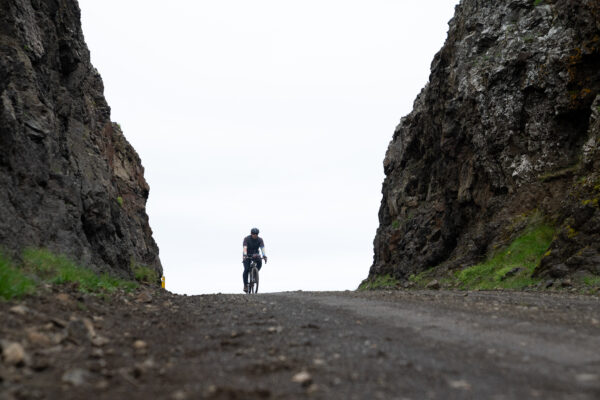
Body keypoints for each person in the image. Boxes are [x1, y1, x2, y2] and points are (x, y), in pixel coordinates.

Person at [242, 227, 267, 293]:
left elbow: (262, 248)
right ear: (251, 233)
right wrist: (244, 255)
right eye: (253, 234)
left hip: (256, 254)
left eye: (256, 234)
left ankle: (254, 274)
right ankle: (245, 285)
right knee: (246, 269)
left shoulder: (260, 240)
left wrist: (264, 255)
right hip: (247, 254)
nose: (255, 235)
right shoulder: (246, 239)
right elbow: (245, 247)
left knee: (260, 263)